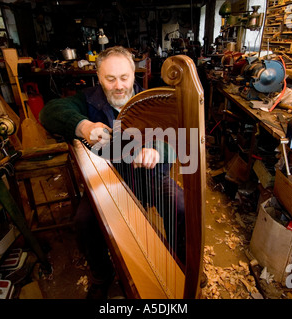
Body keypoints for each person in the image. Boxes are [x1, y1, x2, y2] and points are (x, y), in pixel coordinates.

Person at [39, 46, 186, 299]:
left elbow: (179, 140)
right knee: (84, 221)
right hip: (108, 179)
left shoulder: (152, 101)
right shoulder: (87, 99)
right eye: (110, 79)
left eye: (124, 77)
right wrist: (82, 126)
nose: (118, 86)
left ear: (134, 74)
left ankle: (181, 264)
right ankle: (101, 275)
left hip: (149, 178)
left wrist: (157, 150)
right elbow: (48, 112)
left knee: (181, 206)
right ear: (98, 76)